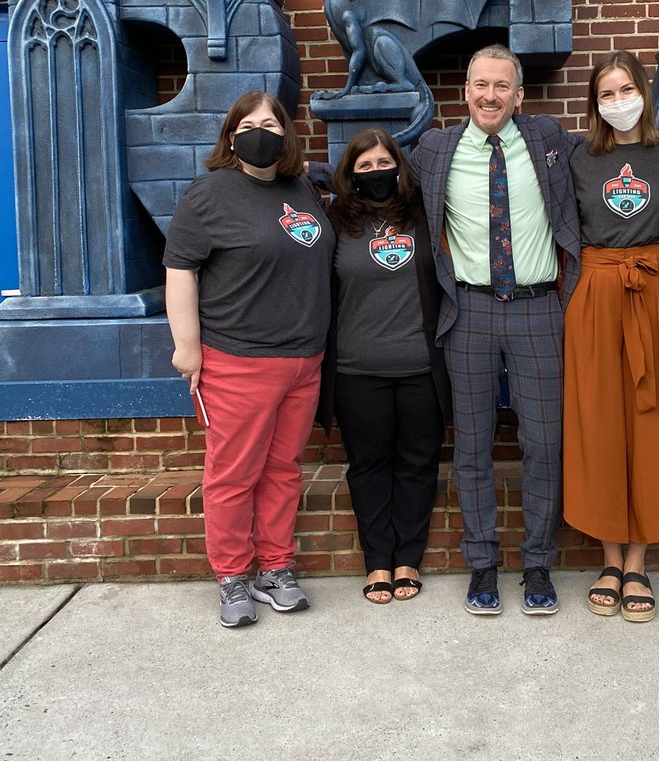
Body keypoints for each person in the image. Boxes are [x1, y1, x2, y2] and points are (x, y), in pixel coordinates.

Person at [411, 43, 581, 616]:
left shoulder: (547, 138)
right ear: (465, 91)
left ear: (519, 95)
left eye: (501, 86)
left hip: (539, 310)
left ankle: (537, 564)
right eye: (480, 85)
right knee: (472, 445)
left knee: (545, 444)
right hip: (470, 311)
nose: (490, 96)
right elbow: (379, 179)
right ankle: (482, 562)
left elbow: (609, 159)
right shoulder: (435, 149)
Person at [164, 91, 335, 629]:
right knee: (234, 474)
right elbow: (180, 268)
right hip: (238, 360)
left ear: (287, 135)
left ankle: (275, 568)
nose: (261, 133)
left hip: (304, 360)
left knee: (283, 470)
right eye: (248, 125)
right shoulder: (209, 193)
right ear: (231, 135)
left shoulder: (302, 187)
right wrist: (187, 345)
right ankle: (232, 575)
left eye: (272, 125)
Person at [563, 51, 659, 622]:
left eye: (626, 90)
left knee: (650, 418)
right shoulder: (579, 158)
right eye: (606, 94)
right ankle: (610, 557)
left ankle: (638, 561)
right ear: (595, 104)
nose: (618, 102)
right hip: (595, 290)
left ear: (644, 92)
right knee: (598, 422)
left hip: (652, 288)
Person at [319, 129, 451, 605]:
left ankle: (407, 558)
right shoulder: (335, 220)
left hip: (420, 367)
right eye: (365, 166)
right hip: (357, 371)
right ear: (350, 173)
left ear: (400, 167)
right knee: (369, 466)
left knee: (418, 464)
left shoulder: (423, 215)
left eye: (384, 163)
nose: (377, 173)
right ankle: (377, 560)